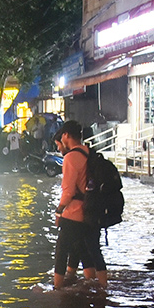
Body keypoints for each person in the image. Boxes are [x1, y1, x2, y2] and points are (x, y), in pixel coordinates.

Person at [52, 120, 107, 289]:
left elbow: (68, 191)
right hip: (91, 211)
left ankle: (57, 290)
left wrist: (59, 210)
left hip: (74, 212)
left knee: (61, 251)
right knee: (90, 251)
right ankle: (102, 288)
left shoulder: (70, 157)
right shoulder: (89, 152)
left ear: (66, 135)